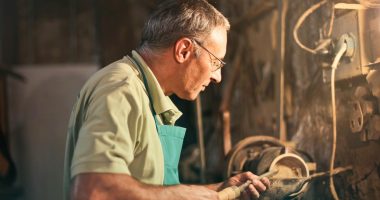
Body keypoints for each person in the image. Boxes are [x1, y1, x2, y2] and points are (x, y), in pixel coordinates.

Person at [63, 0, 270, 199]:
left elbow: (151, 190)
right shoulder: (122, 90)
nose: (217, 77)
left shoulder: (148, 94)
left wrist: (219, 191)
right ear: (184, 50)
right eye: (215, 62)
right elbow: (92, 191)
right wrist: (178, 195)